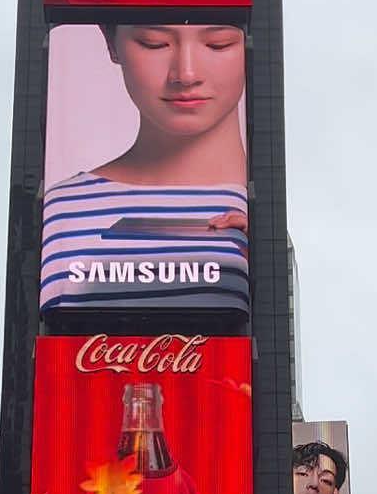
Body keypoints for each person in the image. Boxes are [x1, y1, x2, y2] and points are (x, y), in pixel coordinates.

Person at [40, 23, 249, 311]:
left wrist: (268, 264)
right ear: (111, 42)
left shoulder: (272, 212)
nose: (186, 74)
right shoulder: (58, 211)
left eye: (218, 44)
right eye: (154, 44)